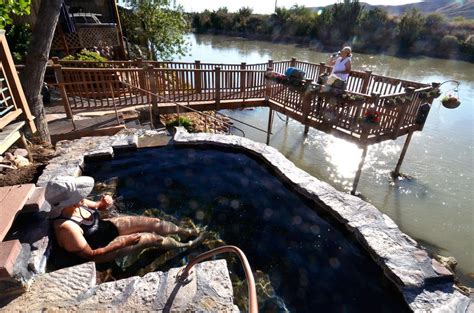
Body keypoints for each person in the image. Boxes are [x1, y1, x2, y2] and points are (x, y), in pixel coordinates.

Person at [45, 175, 206, 264]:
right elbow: (91, 255)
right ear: (67, 202)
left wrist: (103, 203)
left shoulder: (77, 203)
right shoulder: (67, 228)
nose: (83, 196)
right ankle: (187, 245)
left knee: (154, 222)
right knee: (153, 238)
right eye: (78, 195)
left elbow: (98, 206)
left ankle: (185, 231)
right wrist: (123, 243)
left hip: (106, 228)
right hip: (102, 249)